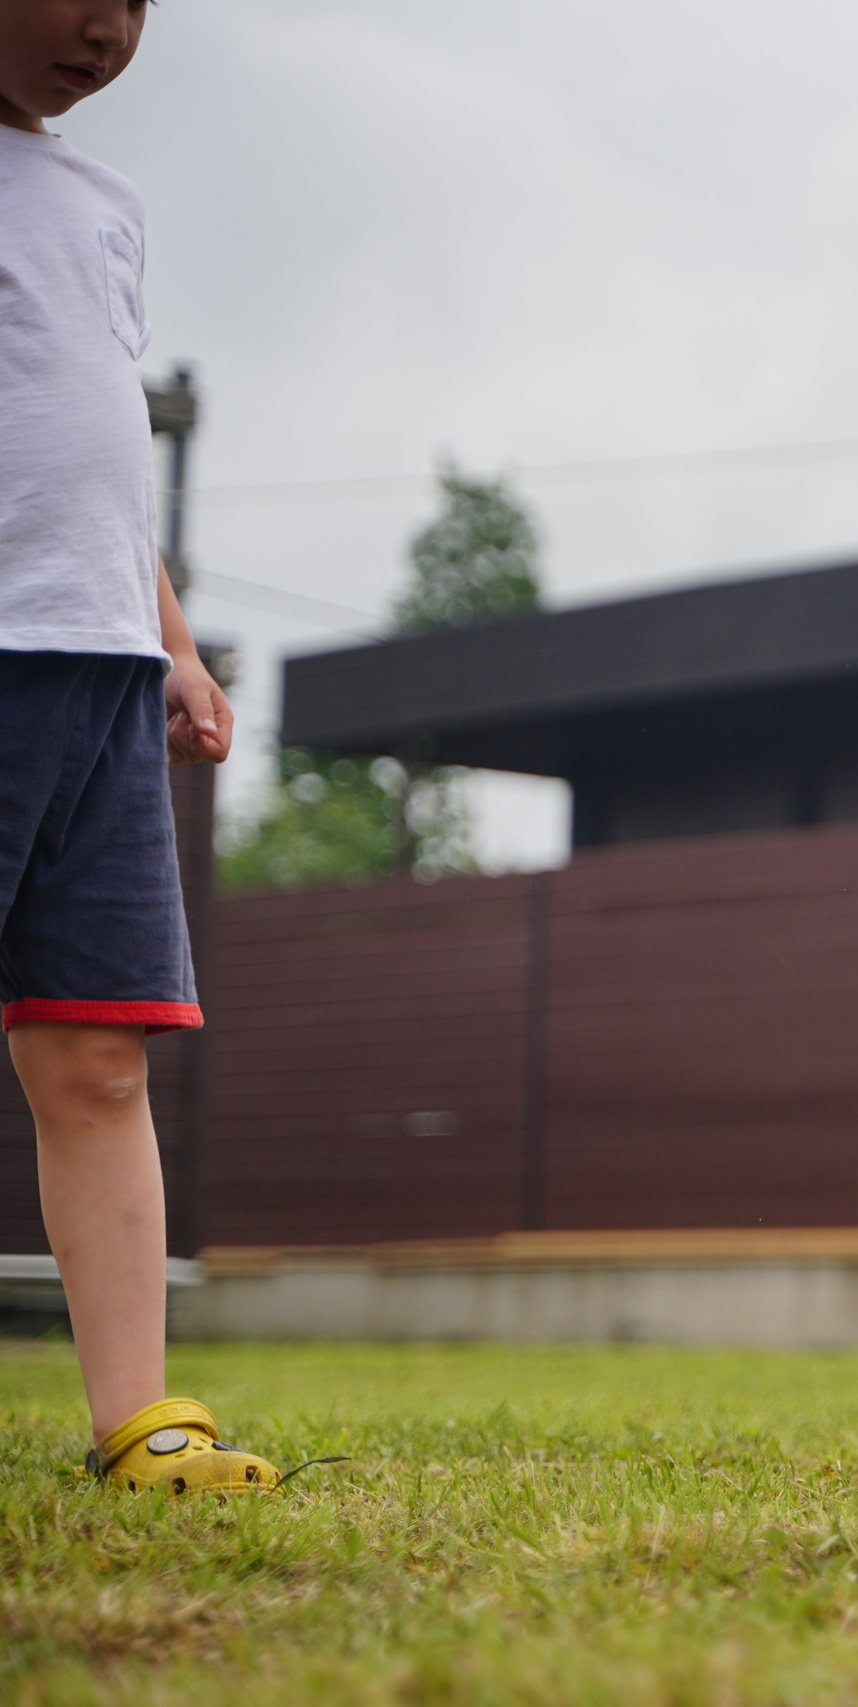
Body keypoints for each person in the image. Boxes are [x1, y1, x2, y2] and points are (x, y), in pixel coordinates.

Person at [2, 0, 278, 1492]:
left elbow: (101, 459)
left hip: (99, 675)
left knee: (100, 1055)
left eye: (134, 2)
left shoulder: (102, 204)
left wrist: (167, 639)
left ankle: (137, 1417)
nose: (103, 28)